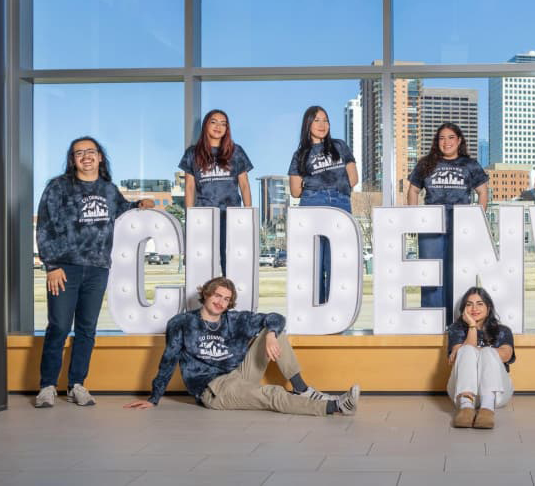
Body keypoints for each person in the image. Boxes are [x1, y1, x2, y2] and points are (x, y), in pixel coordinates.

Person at [35, 136, 155, 408]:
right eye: (79, 153)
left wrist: (139, 205)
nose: (86, 156)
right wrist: (51, 266)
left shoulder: (109, 189)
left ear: (100, 157)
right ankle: (47, 386)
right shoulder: (59, 187)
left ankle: (77, 384)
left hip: (98, 269)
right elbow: (44, 226)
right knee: (59, 327)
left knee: (87, 329)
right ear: (72, 159)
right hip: (65, 269)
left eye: (91, 151)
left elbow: (121, 209)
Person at [124, 277, 360, 416]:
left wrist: (270, 334)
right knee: (273, 394)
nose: (220, 303)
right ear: (206, 295)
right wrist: (154, 398)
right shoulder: (183, 323)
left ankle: (302, 388)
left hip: (239, 374)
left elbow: (276, 317)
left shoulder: (234, 319)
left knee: (275, 331)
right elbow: (168, 360)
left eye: (226, 299)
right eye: (217, 296)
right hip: (214, 389)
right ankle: (336, 407)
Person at [407, 123, 488, 325]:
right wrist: (415, 216)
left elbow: (483, 192)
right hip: (432, 222)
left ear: (459, 140)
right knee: (431, 273)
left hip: (461, 222)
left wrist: (477, 219)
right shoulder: (426, 163)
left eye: (451, 137)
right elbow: (413, 190)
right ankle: (431, 319)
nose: (447, 142)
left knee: (459, 272)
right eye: (442, 138)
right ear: (437, 142)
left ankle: (459, 322)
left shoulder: (470, 165)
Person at [288, 106, 358, 304]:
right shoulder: (300, 154)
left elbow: (353, 178)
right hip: (313, 204)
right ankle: (315, 310)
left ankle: (334, 311)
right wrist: (316, 189)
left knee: (337, 262)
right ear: (308, 124)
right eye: (317, 120)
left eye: (325, 120)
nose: (322, 124)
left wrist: (328, 186)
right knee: (314, 263)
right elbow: (295, 190)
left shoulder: (340, 146)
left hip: (340, 203)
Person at [179, 109, 253, 275]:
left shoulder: (236, 151)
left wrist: (248, 215)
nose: (218, 126)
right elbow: (190, 187)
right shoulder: (192, 153)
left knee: (231, 263)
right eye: (214, 122)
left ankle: (232, 298)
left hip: (230, 215)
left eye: (223, 123)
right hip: (204, 215)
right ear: (206, 125)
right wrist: (189, 215)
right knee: (203, 264)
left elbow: (245, 185)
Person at [446, 287, 515, 429]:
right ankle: (466, 407)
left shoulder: (503, 330)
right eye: (469, 304)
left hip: (496, 393)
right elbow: (459, 355)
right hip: (462, 391)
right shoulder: (456, 329)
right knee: (466, 350)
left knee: (488, 353)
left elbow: (505, 354)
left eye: (479, 303)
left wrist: (481, 351)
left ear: (488, 308)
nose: (474, 308)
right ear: (464, 308)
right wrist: (472, 326)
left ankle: (487, 409)